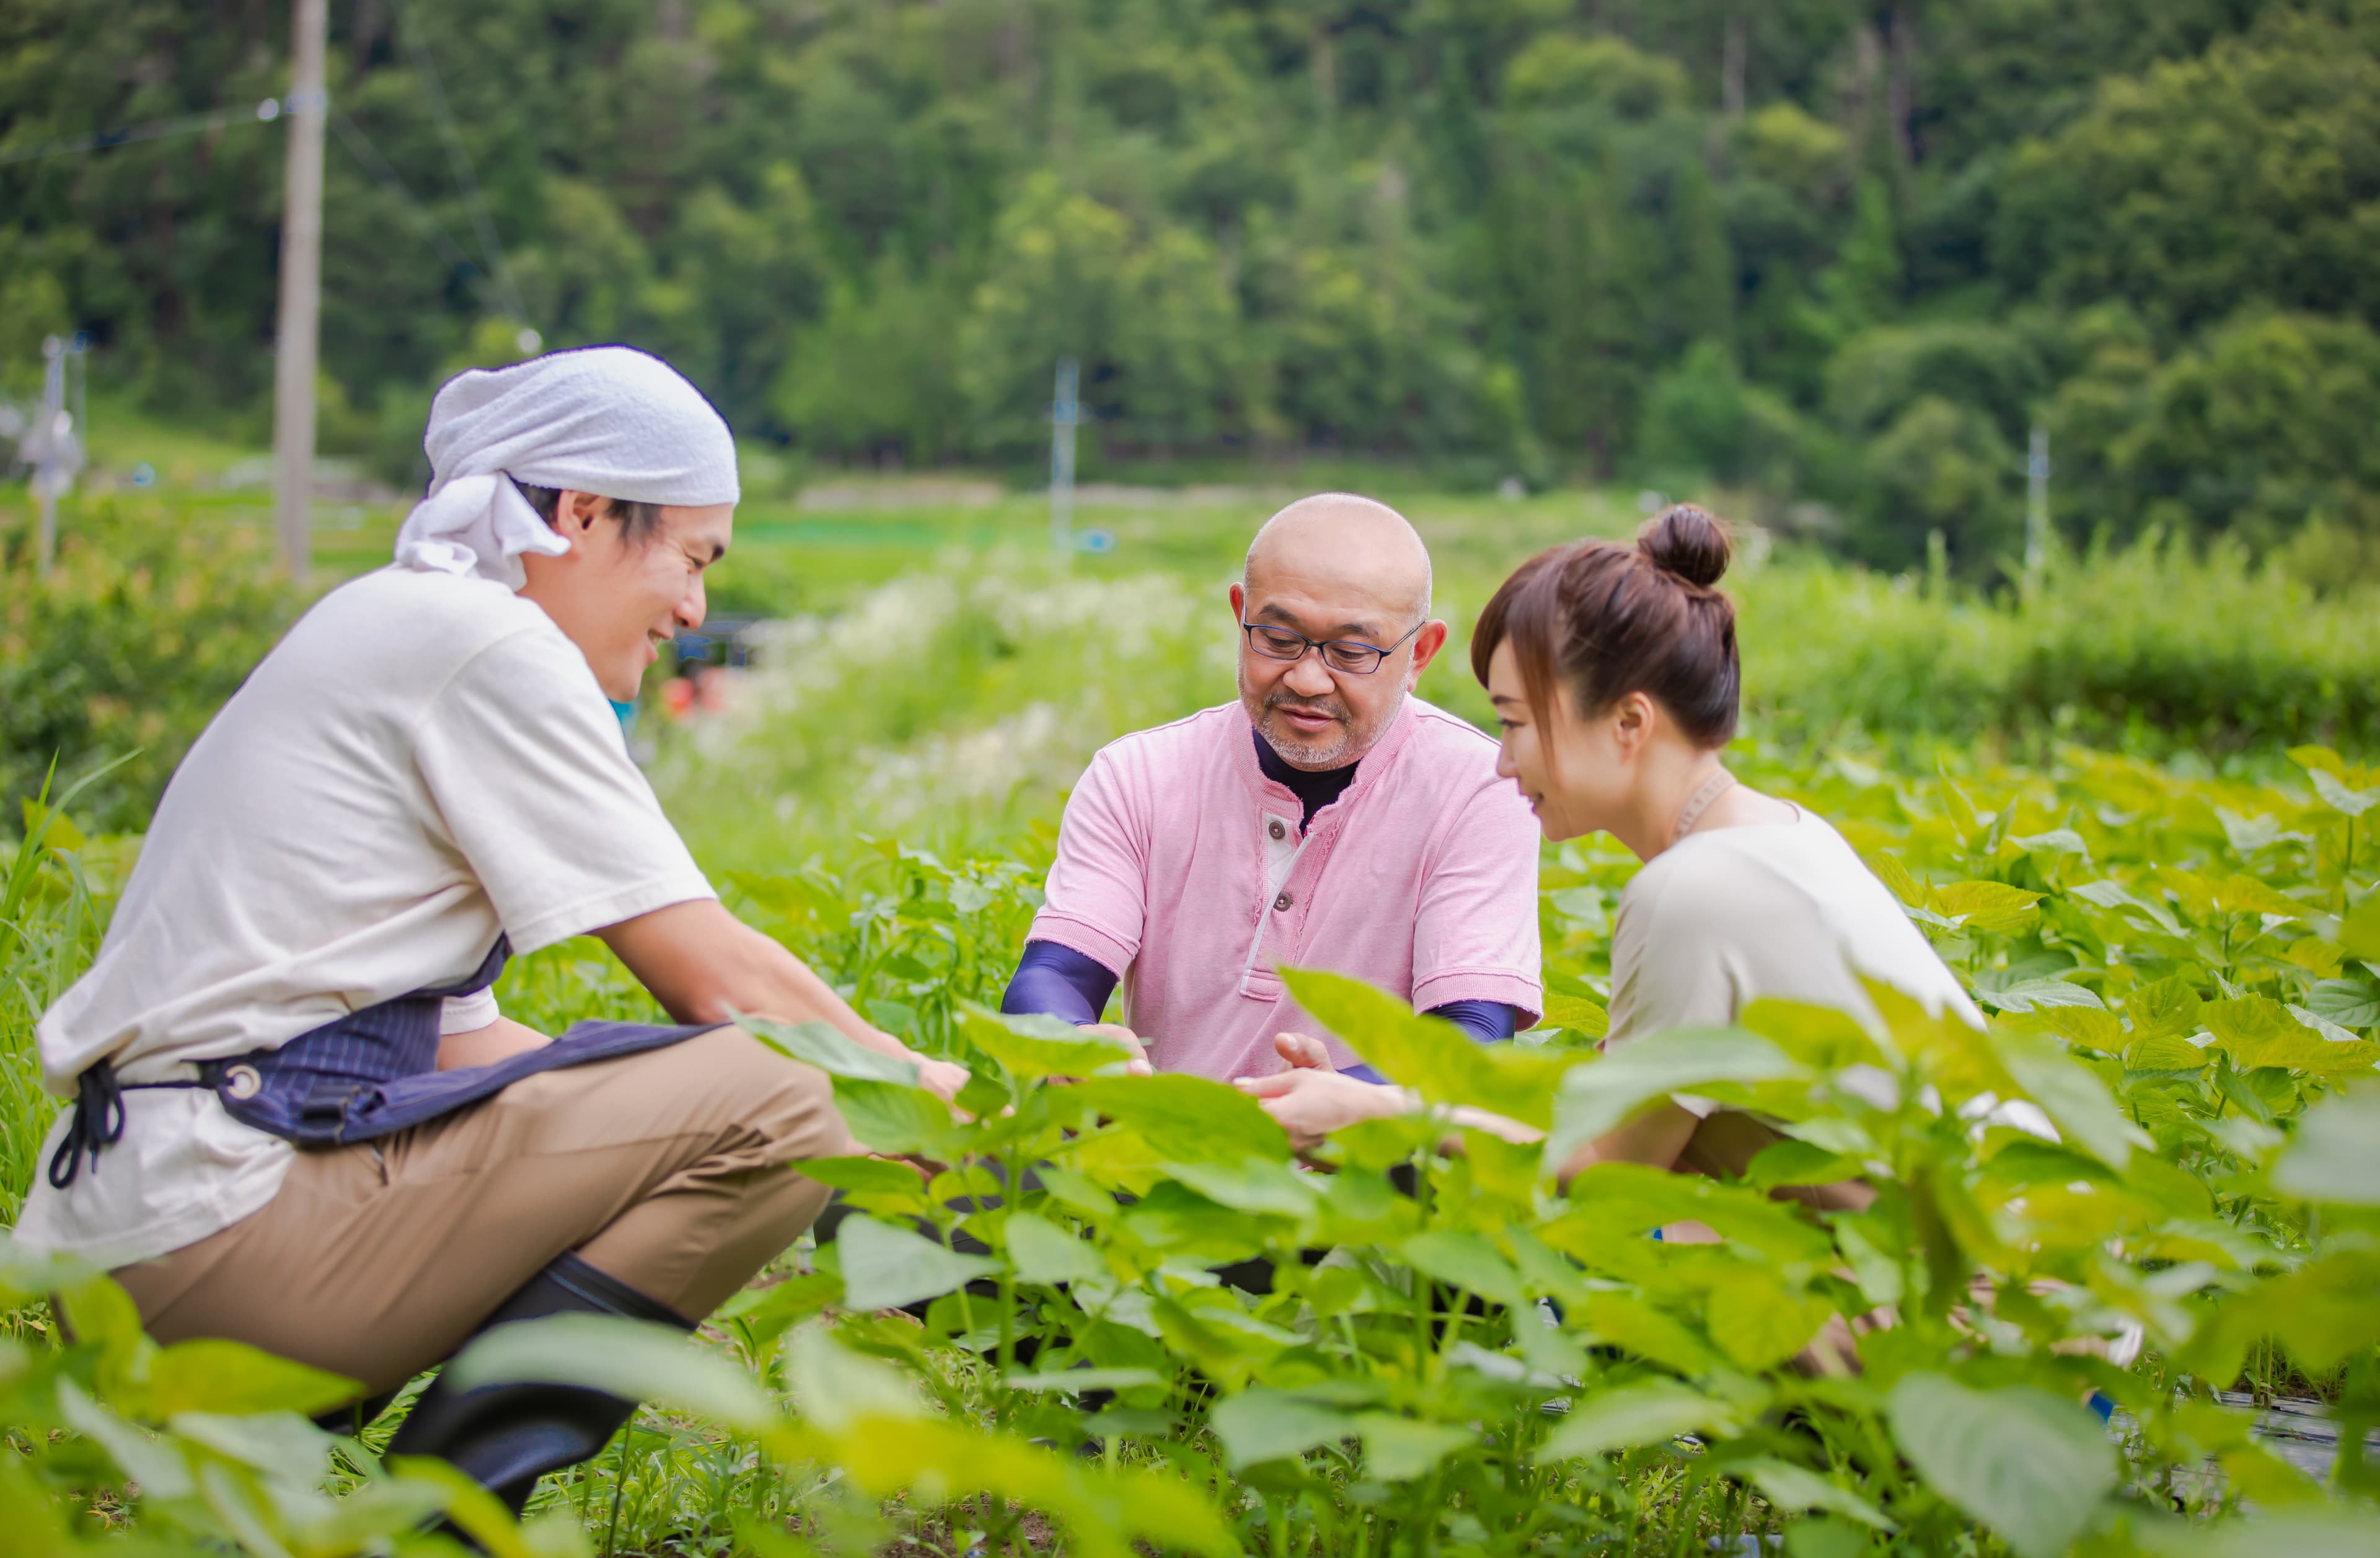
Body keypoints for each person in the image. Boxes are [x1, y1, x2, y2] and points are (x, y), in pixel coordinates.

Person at [15, 347, 967, 1512]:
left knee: (749, 1093)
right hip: (218, 1222)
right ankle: (443, 1529)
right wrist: (943, 1105)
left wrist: (678, 1120)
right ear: (581, 513)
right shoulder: (486, 644)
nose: (694, 610)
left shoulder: (410, 626)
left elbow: (462, 1043)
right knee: (792, 1087)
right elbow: (719, 984)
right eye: (691, 558)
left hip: (141, 1234)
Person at [1240, 503, 1980, 1190]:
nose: (1503, 762)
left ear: (1629, 723)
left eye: (1516, 723)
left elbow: (1607, 1171)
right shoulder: (1774, 834)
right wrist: (1367, 1098)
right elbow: (1627, 1129)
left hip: (1971, 1277)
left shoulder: (1694, 890)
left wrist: (1377, 1113)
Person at [1001, 492, 1543, 1084]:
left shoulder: (1478, 789)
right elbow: (1055, 974)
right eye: (1279, 639)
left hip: (1369, 1144)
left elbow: (1474, 1036)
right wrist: (1074, 1044)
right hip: (1158, 1138)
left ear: (1420, 654)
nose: (1307, 680)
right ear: (1240, 614)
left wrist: (1345, 1100)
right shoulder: (1139, 775)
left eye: (1352, 652)